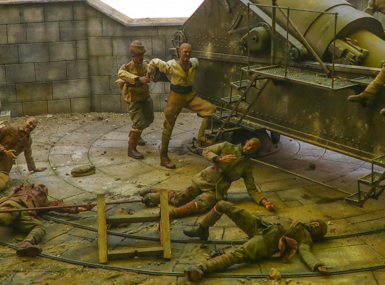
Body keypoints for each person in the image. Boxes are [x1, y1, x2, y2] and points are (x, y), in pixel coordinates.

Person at [182, 200, 329, 281]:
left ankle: (201, 268)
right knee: (223, 205)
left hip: (267, 242)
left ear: (317, 235)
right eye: (316, 223)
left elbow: (305, 252)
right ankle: (202, 229)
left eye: (318, 228)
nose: (315, 225)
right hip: (262, 227)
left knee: (237, 254)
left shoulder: (306, 238)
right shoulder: (297, 222)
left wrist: (317, 265)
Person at [140, 138, 274, 219]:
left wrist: (264, 202)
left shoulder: (247, 166)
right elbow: (206, 150)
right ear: (246, 142)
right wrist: (218, 158)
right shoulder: (227, 146)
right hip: (204, 179)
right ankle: (157, 193)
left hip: (216, 190)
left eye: (253, 148)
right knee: (178, 200)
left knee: (204, 205)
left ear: (255, 151)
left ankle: (171, 214)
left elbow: (252, 189)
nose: (249, 148)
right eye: (249, 144)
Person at [0, 184, 90, 257]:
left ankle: (26, 245)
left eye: (43, 191)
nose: (40, 190)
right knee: (2, 217)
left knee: (40, 227)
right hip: (13, 206)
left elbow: (61, 206)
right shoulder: (21, 191)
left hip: (27, 214)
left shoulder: (45, 202)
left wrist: (80, 208)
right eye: (39, 188)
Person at [148, 43, 217, 169]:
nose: (187, 54)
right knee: (168, 126)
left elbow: (196, 62)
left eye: (189, 52)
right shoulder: (171, 65)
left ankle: (201, 136)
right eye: (185, 51)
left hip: (189, 96)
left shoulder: (194, 62)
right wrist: (149, 73)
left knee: (211, 109)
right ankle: (163, 157)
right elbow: (154, 61)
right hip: (176, 97)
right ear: (179, 52)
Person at [117, 40, 153, 160]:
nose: (141, 57)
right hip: (133, 99)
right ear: (133, 56)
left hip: (144, 96)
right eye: (139, 55)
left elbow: (152, 70)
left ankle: (135, 134)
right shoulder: (126, 67)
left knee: (149, 119)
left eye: (142, 55)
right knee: (139, 123)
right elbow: (121, 74)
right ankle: (131, 148)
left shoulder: (146, 65)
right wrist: (138, 79)